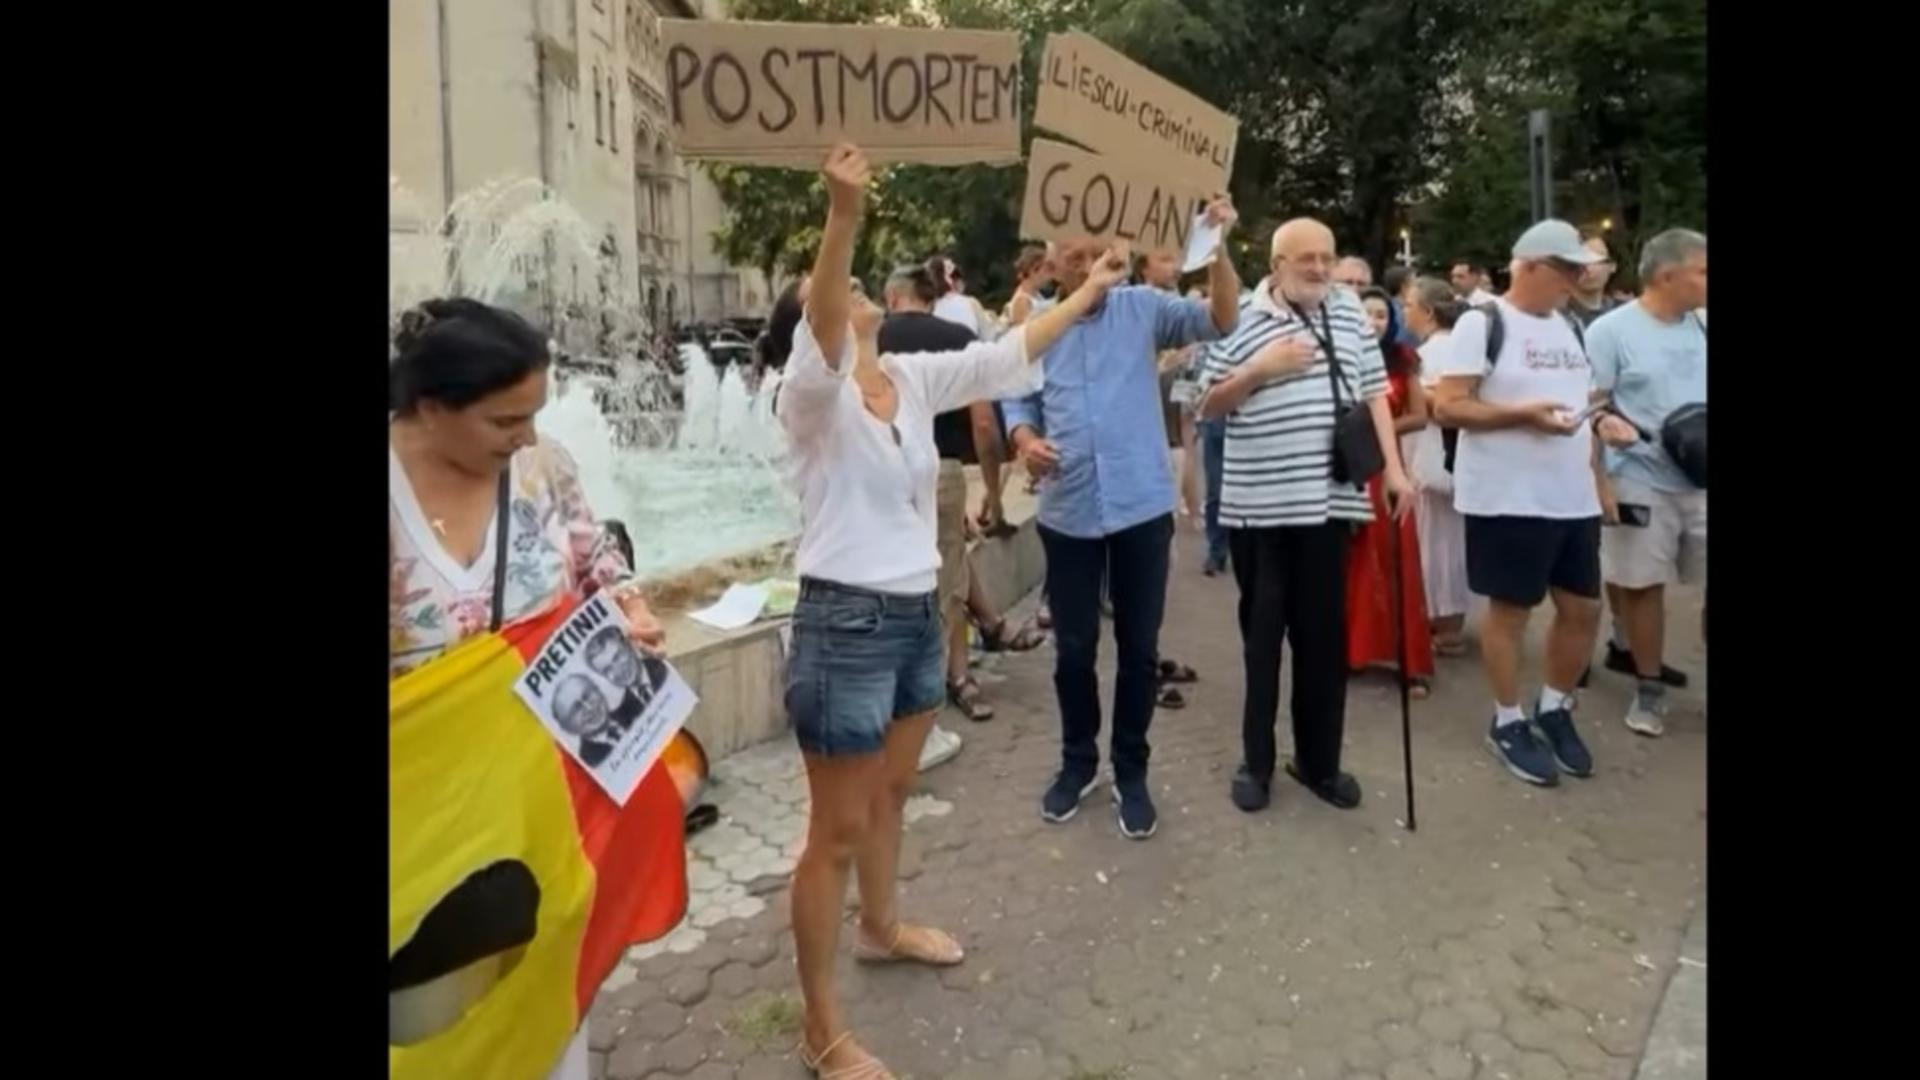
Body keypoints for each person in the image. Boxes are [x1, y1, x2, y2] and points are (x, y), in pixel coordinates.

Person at [776, 143, 1131, 1078]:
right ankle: (822, 1029)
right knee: (836, 832)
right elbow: (821, 313)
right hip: (841, 622)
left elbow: (1009, 352)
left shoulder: (911, 379)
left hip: (910, 617)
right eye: (844, 294)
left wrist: (1089, 289)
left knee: (895, 792)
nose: (863, 301)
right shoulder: (810, 394)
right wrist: (842, 214)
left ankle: (882, 928)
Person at [388, 297, 665, 1080]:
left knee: (546, 998)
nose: (528, 437)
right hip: (420, 827)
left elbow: (593, 562)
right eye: (506, 421)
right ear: (432, 406)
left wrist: (627, 607)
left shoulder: (541, 470)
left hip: (543, 802)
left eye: (535, 415)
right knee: (431, 1022)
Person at [1003, 203, 1244, 840]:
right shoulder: (1036, 323)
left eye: (1093, 255)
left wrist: (1216, 246)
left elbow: (1221, 319)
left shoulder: (1144, 307)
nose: (1084, 268)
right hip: (1068, 508)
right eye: (1071, 258)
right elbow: (1016, 402)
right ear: (1052, 261)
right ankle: (1078, 762)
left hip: (1139, 506)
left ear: (1114, 249)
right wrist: (1026, 440)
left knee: (1139, 650)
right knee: (1074, 649)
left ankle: (1131, 771)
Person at [1196, 219, 1414, 814]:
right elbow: (1204, 404)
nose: (1319, 268)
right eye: (1305, 258)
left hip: (1329, 505)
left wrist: (1393, 470)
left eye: (1327, 256)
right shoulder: (1237, 316)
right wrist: (1260, 370)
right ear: (1276, 264)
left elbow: (1373, 392)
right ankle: (1256, 763)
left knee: (1323, 641)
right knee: (1262, 642)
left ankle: (1319, 763)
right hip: (1257, 511)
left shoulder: (1347, 311)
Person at [1431, 220, 1630, 788]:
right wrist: (1521, 415)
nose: (1576, 281)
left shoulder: (1568, 325)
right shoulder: (1483, 322)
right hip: (1508, 496)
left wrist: (1605, 424)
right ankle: (1507, 719)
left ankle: (1554, 707)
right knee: (1511, 611)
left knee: (1584, 609)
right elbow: (1449, 407)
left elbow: (1580, 403)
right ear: (1533, 266)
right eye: (1567, 270)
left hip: (1570, 495)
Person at [878, 264, 1041, 732]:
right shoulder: (957, 335)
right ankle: (959, 676)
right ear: (931, 297)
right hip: (944, 469)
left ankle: (990, 626)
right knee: (946, 572)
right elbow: (985, 423)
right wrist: (993, 493)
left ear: (892, 297)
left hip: (886, 473)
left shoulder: (872, 342)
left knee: (925, 570)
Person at [1588, 228, 1708, 737]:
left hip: (1702, 480)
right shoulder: (1611, 331)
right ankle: (1649, 687)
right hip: (1641, 478)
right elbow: (1588, 404)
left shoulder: (1703, 326)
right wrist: (1600, 479)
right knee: (1641, 588)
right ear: (1667, 275)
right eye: (1701, 271)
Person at [1348, 287, 1435, 696]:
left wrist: (1382, 430)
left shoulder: (1404, 359)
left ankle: (1409, 660)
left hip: (1389, 469)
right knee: (1354, 559)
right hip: (1348, 466)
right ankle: (1353, 650)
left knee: (1395, 556)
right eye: (1366, 314)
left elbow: (1419, 415)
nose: (1373, 322)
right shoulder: (1339, 354)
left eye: (1381, 315)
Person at [1402, 276, 1472, 656]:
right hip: (1453, 457)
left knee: (1435, 542)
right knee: (1450, 541)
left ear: (1427, 311)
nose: (1404, 312)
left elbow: (1442, 404)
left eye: (1409, 305)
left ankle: (1441, 620)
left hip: (1433, 453)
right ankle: (1449, 618)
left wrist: (1416, 395)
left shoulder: (1430, 356)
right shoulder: (1459, 351)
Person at [1567, 233, 1619, 329]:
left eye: (1597, 259)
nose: (1588, 268)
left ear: (1612, 266)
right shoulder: (1556, 317)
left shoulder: (1626, 313)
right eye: (1580, 259)